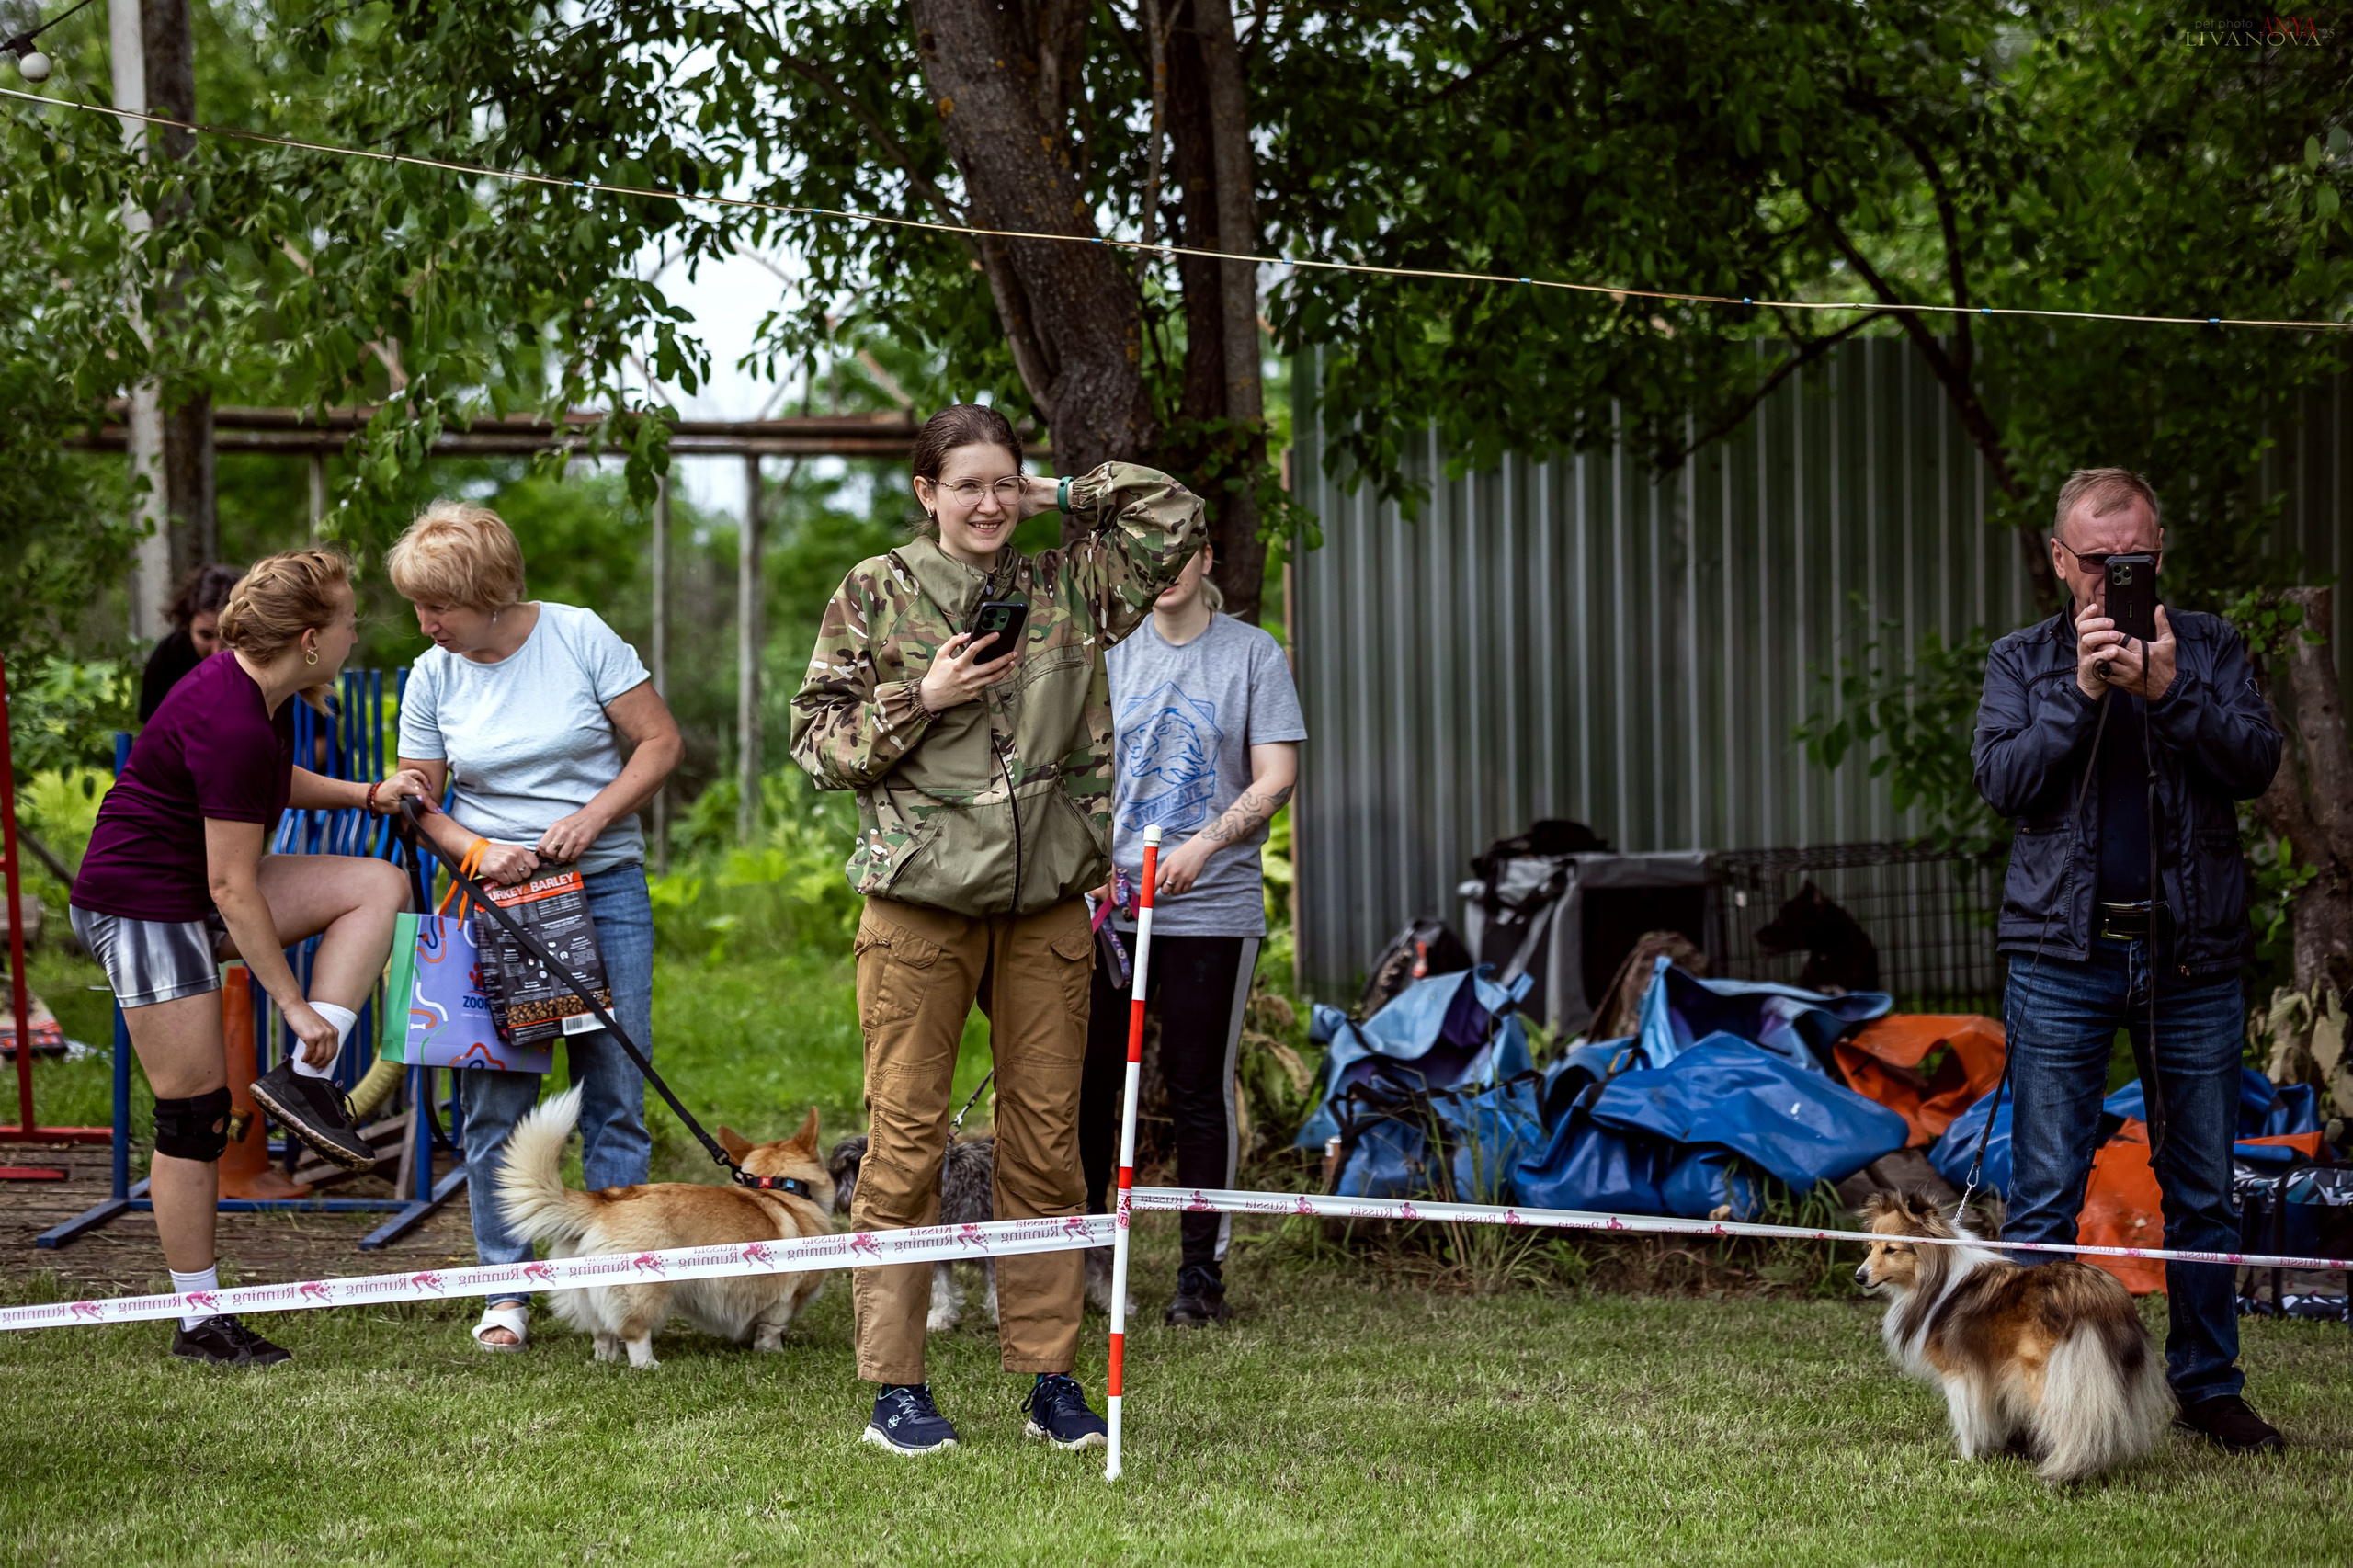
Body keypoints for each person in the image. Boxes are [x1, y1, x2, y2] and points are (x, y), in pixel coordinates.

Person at [790, 403, 1206, 1456]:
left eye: (1003, 483)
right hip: (920, 905)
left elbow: (1174, 518)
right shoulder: (875, 590)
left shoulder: (1066, 582)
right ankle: (896, 1387)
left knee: (1044, 1145)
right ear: (925, 491)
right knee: (905, 1144)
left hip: (1044, 913)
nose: (987, 503)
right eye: (965, 484)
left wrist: (1061, 493)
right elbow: (815, 744)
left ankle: (1048, 1377)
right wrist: (919, 697)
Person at [1972, 467, 2286, 1453]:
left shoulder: (2212, 649)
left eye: (2135, 558)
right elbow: (2002, 779)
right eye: (2099, 561)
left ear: (2162, 552)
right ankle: (2031, 1388)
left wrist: (2166, 687)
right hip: (2061, 957)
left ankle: (2209, 1386)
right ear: (2063, 561)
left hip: (2189, 956)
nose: (2118, 577)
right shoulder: (2022, 660)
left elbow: (2257, 761)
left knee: (2200, 1184)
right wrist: (2079, 692)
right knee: (2045, 1189)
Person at [69, 549, 430, 1367]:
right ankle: (201, 1321)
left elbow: (270, 781)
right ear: (308, 640)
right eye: (347, 625)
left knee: (375, 884)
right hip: (139, 906)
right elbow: (234, 888)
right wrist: (293, 1006)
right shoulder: (233, 716)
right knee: (194, 1116)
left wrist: (365, 793)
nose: (353, 639)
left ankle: (304, 1080)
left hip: (186, 888)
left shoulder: (251, 695)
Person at [389, 501, 683, 1355]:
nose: (426, 623)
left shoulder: (579, 636)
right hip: (494, 904)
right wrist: (474, 848)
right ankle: (504, 1289)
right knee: (497, 1099)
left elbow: (659, 745)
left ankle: (613, 1284)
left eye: (438, 605)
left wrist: (589, 822)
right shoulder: (432, 673)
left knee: (615, 1092)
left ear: (490, 591)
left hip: (602, 890)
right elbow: (416, 798)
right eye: (417, 606)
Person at [1078, 540, 1302, 1327]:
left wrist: (1204, 844)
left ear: (1209, 556)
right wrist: (1086, 866)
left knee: (1198, 1085)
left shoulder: (1252, 654)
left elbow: (1276, 774)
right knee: (1091, 1085)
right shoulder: (1106, 654)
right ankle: (1085, 1266)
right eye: (1150, 554)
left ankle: (1199, 1277)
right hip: (1110, 910)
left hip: (1213, 907)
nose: (1166, 567)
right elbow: (1075, 774)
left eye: (1182, 551)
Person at [139, 562, 244, 722]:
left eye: (229, 636)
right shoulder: (168, 658)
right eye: (206, 636)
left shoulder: (261, 658)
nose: (217, 650)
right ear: (187, 624)